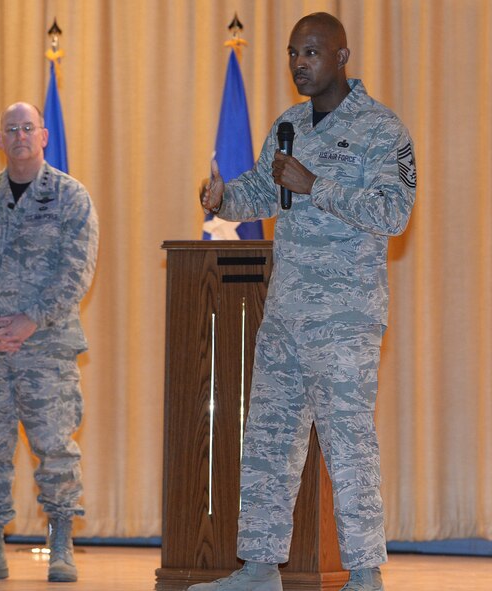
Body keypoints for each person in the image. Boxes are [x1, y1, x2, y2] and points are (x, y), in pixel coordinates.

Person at [193, 12, 416, 591]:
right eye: (293, 52)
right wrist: (223, 197)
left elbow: (394, 214)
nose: (299, 63)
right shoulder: (288, 123)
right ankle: (260, 568)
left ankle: (365, 574)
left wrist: (316, 184)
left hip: (344, 319)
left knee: (347, 443)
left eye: (312, 52)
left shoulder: (381, 130)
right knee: (268, 438)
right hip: (286, 315)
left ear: (342, 57)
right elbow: (263, 191)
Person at [0, 102, 99, 583]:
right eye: (11, 129)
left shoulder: (71, 197)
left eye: (28, 128)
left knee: (54, 447)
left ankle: (60, 546)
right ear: (0, 139)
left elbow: (77, 269)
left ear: (44, 135)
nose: (20, 136)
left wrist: (32, 321)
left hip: (46, 347)